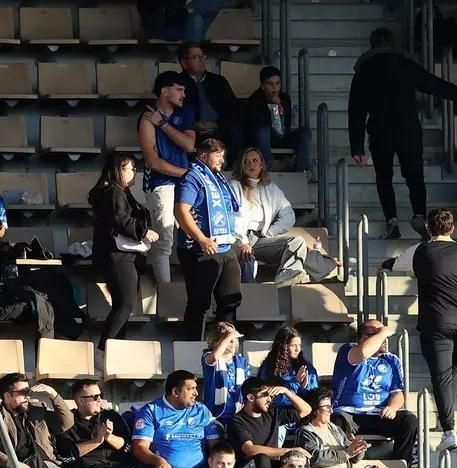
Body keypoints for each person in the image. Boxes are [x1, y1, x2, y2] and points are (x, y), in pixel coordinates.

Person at [348, 26, 457, 239]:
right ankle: (421, 216)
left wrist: (357, 147)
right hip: (408, 129)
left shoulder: (364, 70)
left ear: (372, 45)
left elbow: (356, 111)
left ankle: (392, 221)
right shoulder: (405, 65)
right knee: (415, 176)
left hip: (380, 131)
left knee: (384, 177)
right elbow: (434, 84)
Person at [394, 207, 457, 454]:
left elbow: (396, 264)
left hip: (437, 324)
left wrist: (385, 265)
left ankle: (449, 430)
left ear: (428, 229)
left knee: (441, 377)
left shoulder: (420, 250)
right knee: (455, 370)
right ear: (452, 229)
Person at [229, 148, 334, 286]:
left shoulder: (270, 188)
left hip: (260, 238)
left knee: (297, 242)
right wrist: (242, 242)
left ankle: (287, 275)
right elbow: (235, 218)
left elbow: (288, 214)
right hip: (238, 238)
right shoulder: (234, 186)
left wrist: (269, 232)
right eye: (246, 162)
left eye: (255, 161)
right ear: (242, 166)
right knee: (246, 258)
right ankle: (250, 298)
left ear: (261, 165)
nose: (251, 165)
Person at [175, 137, 243, 337]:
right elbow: (181, 212)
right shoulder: (192, 177)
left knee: (230, 301)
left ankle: (226, 348)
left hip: (225, 248)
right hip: (200, 250)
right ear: (203, 155)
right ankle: (191, 349)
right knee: (199, 304)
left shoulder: (219, 179)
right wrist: (201, 239)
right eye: (218, 155)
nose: (222, 160)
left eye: (223, 155)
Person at [331, 318, 419, 467]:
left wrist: (392, 408)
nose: (383, 339)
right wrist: (384, 331)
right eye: (377, 335)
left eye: (383, 336)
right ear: (363, 337)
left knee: (409, 420)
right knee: (336, 421)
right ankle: (344, 467)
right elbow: (364, 352)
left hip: (380, 415)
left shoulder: (391, 360)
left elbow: (397, 393)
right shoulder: (348, 350)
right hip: (349, 414)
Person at [90, 151, 156, 342]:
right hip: (118, 255)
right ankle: (105, 350)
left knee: (124, 305)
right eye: (131, 169)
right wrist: (144, 232)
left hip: (125, 255)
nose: (134, 172)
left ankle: (115, 348)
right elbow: (120, 219)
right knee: (125, 304)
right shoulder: (113, 191)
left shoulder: (120, 191)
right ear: (118, 170)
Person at [139, 71, 196, 288]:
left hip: (184, 183)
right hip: (160, 183)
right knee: (164, 242)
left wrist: (162, 124)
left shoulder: (185, 112)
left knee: (191, 237)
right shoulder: (146, 118)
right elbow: (153, 162)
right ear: (165, 91)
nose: (183, 94)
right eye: (178, 89)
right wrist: (184, 174)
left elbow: (189, 145)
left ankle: (192, 288)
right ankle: (165, 292)